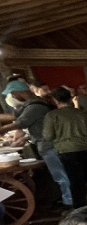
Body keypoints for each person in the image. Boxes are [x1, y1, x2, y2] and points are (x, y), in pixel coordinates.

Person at [0, 79, 73, 208]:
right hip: (48, 145)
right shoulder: (32, 104)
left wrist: (2, 130)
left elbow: (19, 123)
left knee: (61, 176)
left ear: (18, 92)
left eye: (13, 94)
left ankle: (69, 202)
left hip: (49, 145)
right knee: (60, 175)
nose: (12, 97)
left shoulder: (35, 107)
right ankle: (66, 199)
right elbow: (14, 116)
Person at [43, 86, 87, 208]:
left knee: (76, 181)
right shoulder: (83, 113)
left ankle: (80, 208)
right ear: (70, 98)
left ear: (55, 100)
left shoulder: (52, 116)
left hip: (67, 150)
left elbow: (48, 135)